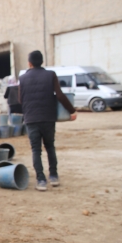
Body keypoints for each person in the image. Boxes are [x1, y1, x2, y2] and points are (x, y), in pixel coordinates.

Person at [19, 50, 76, 191]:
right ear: (42, 62)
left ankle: (41, 180)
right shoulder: (50, 75)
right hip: (48, 117)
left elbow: (20, 99)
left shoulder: (23, 78)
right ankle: (54, 176)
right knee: (50, 147)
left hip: (31, 118)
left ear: (29, 63)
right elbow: (60, 96)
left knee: (36, 150)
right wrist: (71, 111)